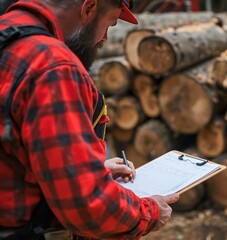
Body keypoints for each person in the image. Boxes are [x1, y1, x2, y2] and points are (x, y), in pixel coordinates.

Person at [0, 0, 179, 239]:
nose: (104, 38)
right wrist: (149, 211)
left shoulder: (7, 33)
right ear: (89, 8)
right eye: (109, 24)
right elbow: (87, 206)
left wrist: (86, 169)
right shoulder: (54, 67)